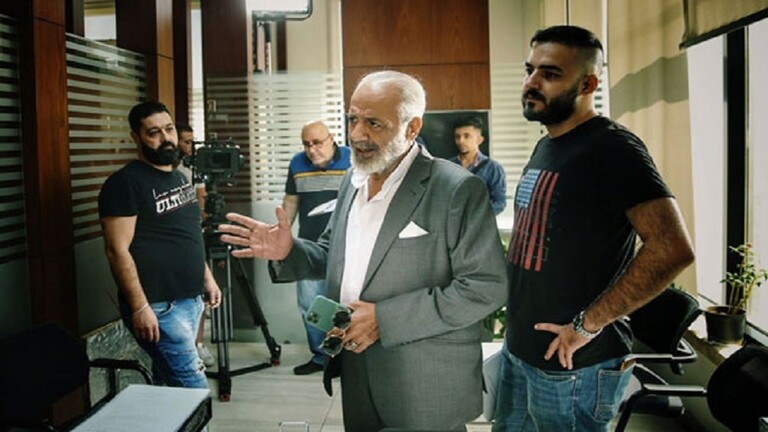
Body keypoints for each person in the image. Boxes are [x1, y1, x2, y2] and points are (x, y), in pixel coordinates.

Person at [218, 70, 508, 431]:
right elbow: (332, 254)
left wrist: (384, 319)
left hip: (423, 381)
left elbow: (485, 287)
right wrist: (288, 251)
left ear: (412, 127)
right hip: (356, 369)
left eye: (373, 123)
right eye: (353, 119)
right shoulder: (352, 182)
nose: (356, 134)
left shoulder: (456, 189)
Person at [492, 25, 695, 431]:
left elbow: (672, 248)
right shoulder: (547, 144)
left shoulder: (613, 148)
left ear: (588, 84)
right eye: (530, 70)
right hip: (522, 351)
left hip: (574, 365)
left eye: (550, 74)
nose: (532, 83)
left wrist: (587, 325)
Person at [99, 101, 222, 389]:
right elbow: (117, 250)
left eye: (169, 129)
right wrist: (140, 307)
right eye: (154, 132)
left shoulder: (177, 177)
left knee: (169, 389)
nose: (166, 138)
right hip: (160, 307)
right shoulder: (124, 184)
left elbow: (188, 234)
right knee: (194, 392)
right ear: (136, 137)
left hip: (190, 299)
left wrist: (207, 277)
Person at [282, 120, 351, 375]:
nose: (312, 150)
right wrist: (282, 235)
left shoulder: (352, 160)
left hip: (347, 247)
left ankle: (347, 358)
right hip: (309, 247)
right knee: (310, 305)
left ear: (331, 138)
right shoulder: (297, 163)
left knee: (345, 304)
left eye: (317, 143)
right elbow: (291, 202)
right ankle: (322, 357)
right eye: (306, 144)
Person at [175, 122, 215, 368]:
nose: (191, 146)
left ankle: (199, 344)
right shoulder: (171, 170)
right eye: (187, 141)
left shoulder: (195, 169)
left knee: (200, 292)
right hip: (173, 241)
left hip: (194, 237)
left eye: (193, 141)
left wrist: (205, 216)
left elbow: (202, 197)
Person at [448, 116, 507, 215]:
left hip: (480, 222)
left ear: (479, 140)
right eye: (457, 136)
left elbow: (499, 202)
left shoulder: (493, 168)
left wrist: (478, 216)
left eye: (467, 136)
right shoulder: (448, 166)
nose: (461, 141)